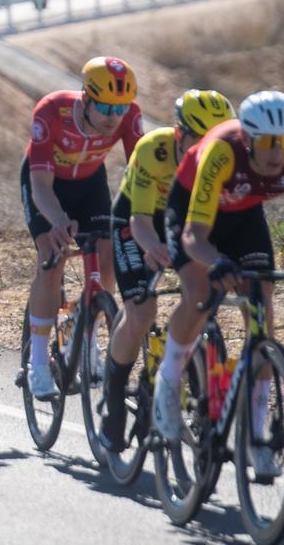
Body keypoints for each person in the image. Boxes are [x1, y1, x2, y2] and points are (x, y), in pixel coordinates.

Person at [152, 90, 284, 480]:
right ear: (247, 138)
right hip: (193, 212)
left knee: (261, 307)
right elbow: (194, 237)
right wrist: (217, 262)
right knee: (200, 293)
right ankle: (168, 384)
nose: (278, 153)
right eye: (267, 142)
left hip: (244, 217)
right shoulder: (223, 151)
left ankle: (255, 436)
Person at [98, 89, 235, 453]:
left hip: (188, 221)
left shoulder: (227, 158)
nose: (209, 150)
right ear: (179, 133)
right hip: (138, 220)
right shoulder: (154, 149)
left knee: (202, 299)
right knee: (142, 310)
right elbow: (139, 220)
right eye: (200, 140)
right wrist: (153, 248)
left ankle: (189, 387)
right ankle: (113, 397)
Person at [21, 57, 143, 400]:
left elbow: (140, 171)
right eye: (104, 107)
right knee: (52, 257)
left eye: (120, 108)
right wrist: (58, 220)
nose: (113, 117)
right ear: (85, 99)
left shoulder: (128, 116)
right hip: (47, 185)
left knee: (108, 259)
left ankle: (88, 329)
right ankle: (39, 364)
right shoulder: (52, 112)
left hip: (91, 184)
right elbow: (40, 186)